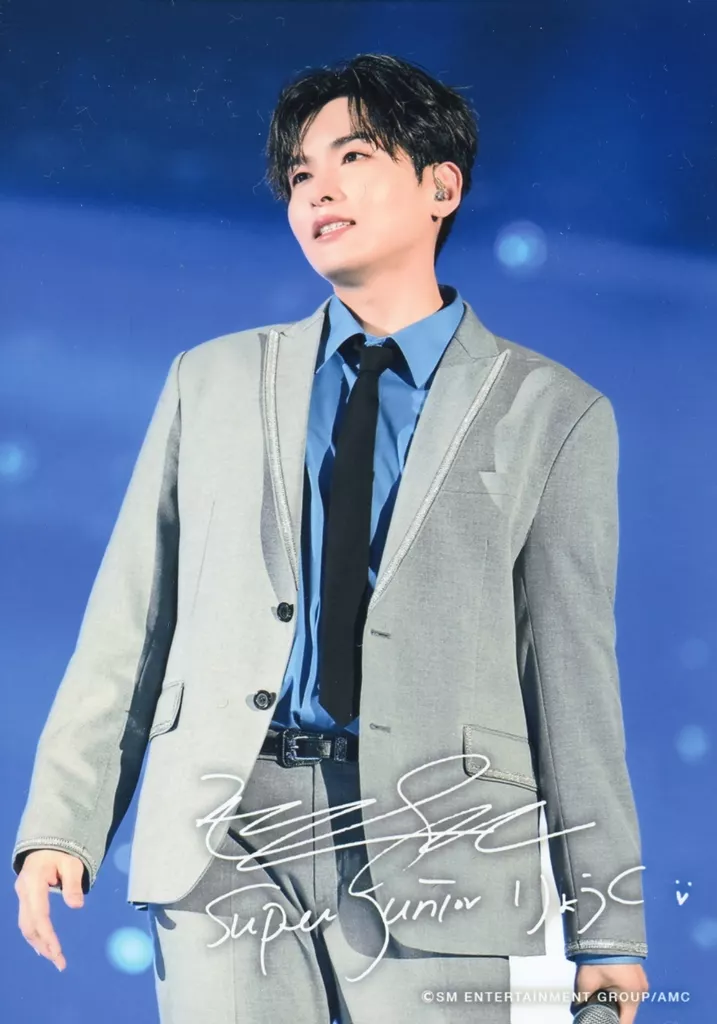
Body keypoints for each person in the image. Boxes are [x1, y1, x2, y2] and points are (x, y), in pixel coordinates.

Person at [12, 53, 649, 1023]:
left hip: (444, 841)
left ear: (441, 187)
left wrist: (608, 929)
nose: (317, 190)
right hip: (225, 832)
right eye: (299, 173)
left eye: (352, 158)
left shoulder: (551, 411)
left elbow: (573, 683)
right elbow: (130, 617)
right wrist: (62, 823)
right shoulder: (209, 381)